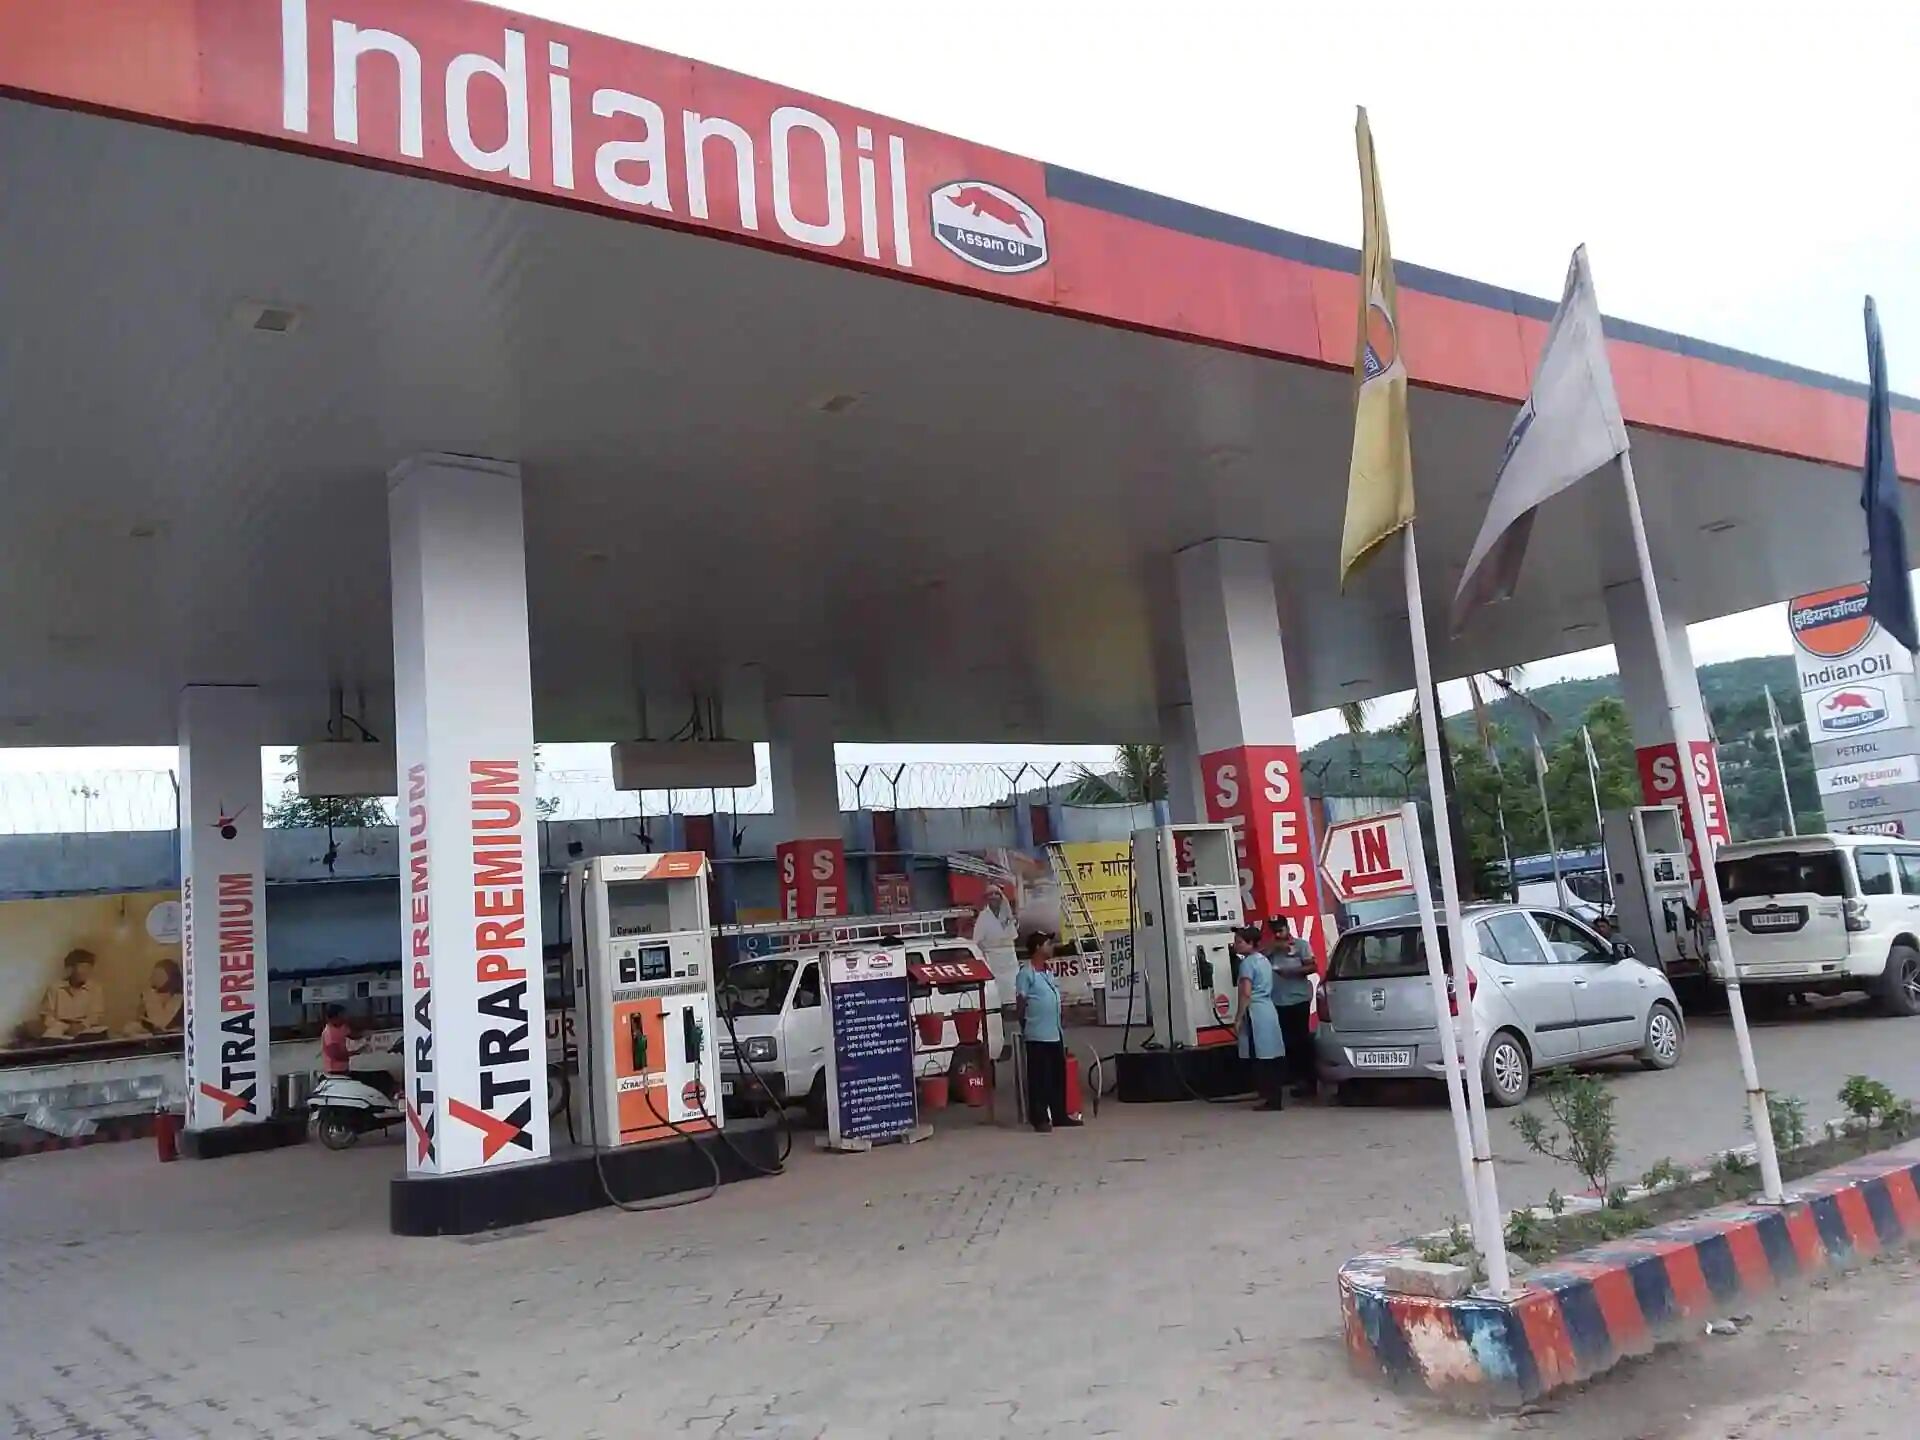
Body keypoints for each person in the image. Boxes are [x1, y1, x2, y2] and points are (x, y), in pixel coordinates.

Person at [1014, 933, 1080, 1132]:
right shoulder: (1026, 974)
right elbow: (1021, 1002)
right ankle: (1040, 1117)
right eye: (1047, 944)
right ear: (1037, 948)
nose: (1051, 947)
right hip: (1037, 1034)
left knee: (1057, 1077)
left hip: (1054, 1033)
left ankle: (1059, 1114)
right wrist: (1025, 1024)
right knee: (1039, 1078)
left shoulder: (1048, 972)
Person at [1232, 925, 1286, 1111]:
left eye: (1239, 942)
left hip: (1255, 1011)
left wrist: (1238, 1017)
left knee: (1260, 1056)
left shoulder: (1247, 964)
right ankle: (1275, 1095)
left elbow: (1246, 993)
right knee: (1271, 1053)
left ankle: (1269, 1097)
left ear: (1251, 943)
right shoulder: (1263, 960)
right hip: (1268, 1009)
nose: (1235, 945)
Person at [1264, 916, 1317, 1099]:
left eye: (1280, 930)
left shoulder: (1300, 945)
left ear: (1287, 928)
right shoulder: (1272, 948)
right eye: (1275, 931)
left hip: (1298, 999)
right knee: (1287, 1042)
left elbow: (1312, 966)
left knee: (1301, 1040)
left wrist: (1292, 972)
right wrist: (1274, 948)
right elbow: (1258, 956)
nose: (1278, 934)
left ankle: (1308, 1081)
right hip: (1278, 1000)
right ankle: (1294, 1078)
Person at [39, 948, 108, 1041]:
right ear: (71, 969)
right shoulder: (54, 988)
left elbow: (96, 1015)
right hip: (59, 1031)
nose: (85, 972)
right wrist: (66, 1028)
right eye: (82, 967)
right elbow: (47, 1017)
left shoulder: (95, 989)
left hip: (85, 1031)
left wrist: (82, 1026)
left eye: (88, 968)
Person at [127, 959, 184, 1036]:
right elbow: (139, 1021)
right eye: (155, 975)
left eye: (160, 975)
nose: (156, 978)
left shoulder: (183, 1000)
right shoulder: (146, 997)